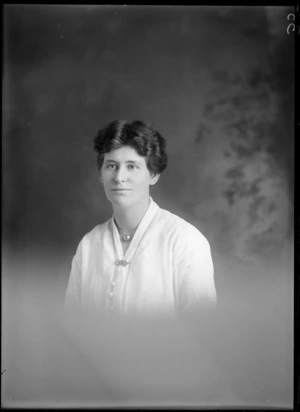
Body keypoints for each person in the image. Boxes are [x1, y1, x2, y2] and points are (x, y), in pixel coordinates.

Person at [64, 120, 217, 318]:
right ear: (100, 174)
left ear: (153, 175)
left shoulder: (184, 241)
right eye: (111, 165)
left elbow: (200, 331)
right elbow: (73, 325)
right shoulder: (89, 244)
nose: (119, 177)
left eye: (132, 166)